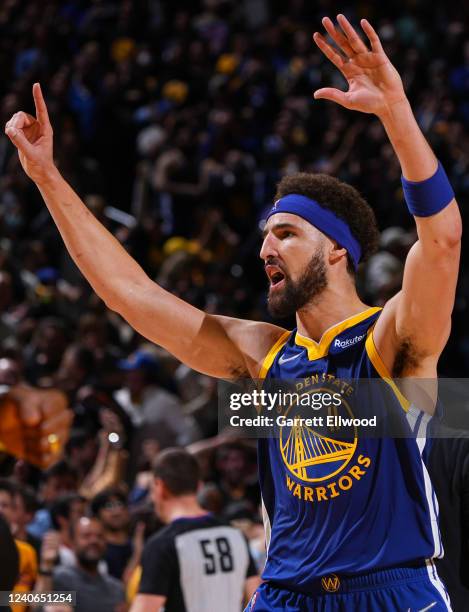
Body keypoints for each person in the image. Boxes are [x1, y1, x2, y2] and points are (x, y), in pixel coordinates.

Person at [4, 13, 461, 611]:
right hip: (284, 595)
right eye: (266, 234)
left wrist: (396, 111)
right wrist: (47, 179)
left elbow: (443, 241)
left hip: (388, 592)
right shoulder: (265, 355)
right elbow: (131, 295)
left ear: (337, 250)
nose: (266, 247)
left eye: (287, 233)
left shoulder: (391, 340)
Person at [131, 448, 259, 612]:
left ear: (159, 486)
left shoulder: (162, 545)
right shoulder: (236, 535)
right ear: (199, 486)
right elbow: (257, 599)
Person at [36, 516, 126, 612]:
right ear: (73, 542)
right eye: (86, 536)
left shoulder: (116, 589)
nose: (94, 541)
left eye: (100, 536)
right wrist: (46, 566)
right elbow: (32, 605)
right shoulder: (61, 579)